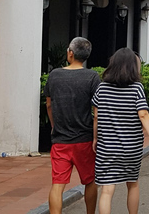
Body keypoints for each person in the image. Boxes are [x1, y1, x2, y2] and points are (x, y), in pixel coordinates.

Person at [92, 47, 149, 214]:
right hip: (131, 148)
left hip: (107, 147)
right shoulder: (136, 88)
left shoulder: (102, 88)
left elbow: (96, 117)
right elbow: (143, 114)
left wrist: (95, 139)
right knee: (133, 183)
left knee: (107, 190)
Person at [44, 37, 102, 214]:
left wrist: (54, 126)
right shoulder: (92, 77)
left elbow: (49, 105)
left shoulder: (54, 75)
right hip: (84, 139)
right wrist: (95, 137)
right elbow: (96, 112)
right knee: (90, 181)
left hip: (61, 140)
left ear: (70, 52)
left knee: (57, 184)